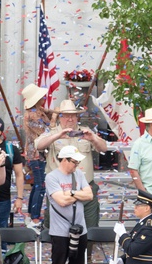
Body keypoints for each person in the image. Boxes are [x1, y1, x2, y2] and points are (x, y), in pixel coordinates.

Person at [35, 99, 108, 236]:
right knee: (58, 232)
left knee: (90, 228)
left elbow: (103, 148)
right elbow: (39, 145)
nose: (70, 119)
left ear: (77, 117)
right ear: (60, 117)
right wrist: (57, 136)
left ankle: (87, 257)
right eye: (66, 115)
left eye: (73, 115)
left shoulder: (85, 131)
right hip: (61, 191)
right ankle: (61, 257)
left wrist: (93, 138)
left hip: (85, 188)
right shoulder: (52, 132)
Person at [45, 146, 93, 264]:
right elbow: (62, 201)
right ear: (64, 160)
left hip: (80, 229)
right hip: (60, 231)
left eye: (78, 162)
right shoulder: (52, 177)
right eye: (74, 162)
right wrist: (79, 194)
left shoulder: (78, 174)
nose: (76, 165)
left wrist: (71, 193)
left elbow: (89, 195)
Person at [21, 84, 53, 224]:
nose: (44, 98)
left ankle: (31, 212)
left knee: (37, 184)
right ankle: (35, 215)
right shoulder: (32, 115)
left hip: (38, 153)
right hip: (36, 154)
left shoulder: (38, 110)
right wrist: (55, 116)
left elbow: (49, 113)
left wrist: (55, 112)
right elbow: (45, 130)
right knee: (41, 184)